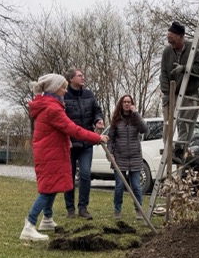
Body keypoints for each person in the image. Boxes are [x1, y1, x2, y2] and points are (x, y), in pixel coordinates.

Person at [20, 74, 108, 242]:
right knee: (47, 190)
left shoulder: (50, 105)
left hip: (51, 151)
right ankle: (29, 225)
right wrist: (97, 137)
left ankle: (47, 219)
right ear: (54, 89)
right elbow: (73, 129)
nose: (65, 90)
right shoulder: (52, 109)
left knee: (52, 186)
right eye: (63, 87)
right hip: (49, 153)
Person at [63, 67, 105, 220]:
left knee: (86, 174)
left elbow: (96, 110)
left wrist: (98, 119)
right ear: (71, 79)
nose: (83, 78)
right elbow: (61, 119)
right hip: (69, 144)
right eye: (80, 76)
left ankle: (83, 208)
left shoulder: (89, 94)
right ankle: (70, 209)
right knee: (69, 175)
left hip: (86, 143)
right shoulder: (63, 96)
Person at [159, 21, 199, 160]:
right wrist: (166, 93)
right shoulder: (167, 52)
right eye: (168, 39)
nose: (170, 42)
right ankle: (168, 149)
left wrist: (185, 69)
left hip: (189, 94)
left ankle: (179, 149)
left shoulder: (193, 49)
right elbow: (164, 73)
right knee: (168, 123)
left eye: (172, 39)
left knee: (183, 123)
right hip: (172, 94)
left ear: (181, 36)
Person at [107, 95, 149, 220]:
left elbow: (144, 129)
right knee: (119, 186)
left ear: (132, 104)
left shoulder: (136, 118)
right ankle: (117, 210)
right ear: (121, 104)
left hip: (135, 157)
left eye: (129, 102)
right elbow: (110, 138)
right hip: (120, 158)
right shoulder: (116, 120)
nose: (126, 104)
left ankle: (138, 210)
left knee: (136, 186)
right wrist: (110, 153)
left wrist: (136, 113)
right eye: (124, 102)